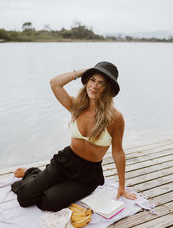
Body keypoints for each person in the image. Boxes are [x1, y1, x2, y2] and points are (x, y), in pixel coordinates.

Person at [11, 61, 137, 212]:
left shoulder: (115, 118)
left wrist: (122, 186)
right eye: (92, 79)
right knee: (24, 198)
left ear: (108, 88)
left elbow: (118, 152)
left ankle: (43, 181)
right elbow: (54, 83)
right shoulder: (76, 105)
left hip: (88, 175)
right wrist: (86, 71)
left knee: (49, 202)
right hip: (65, 161)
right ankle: (32, 172)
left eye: (101, 83)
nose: (94, 86)